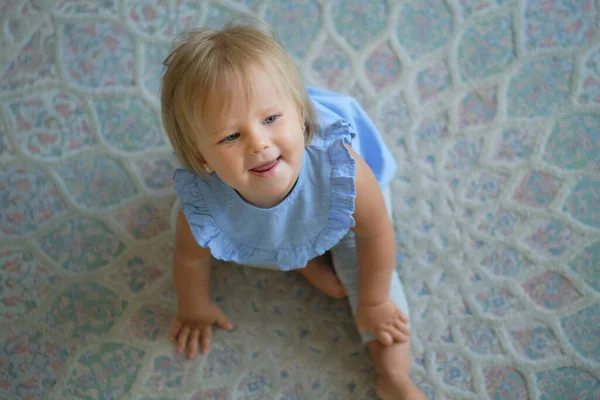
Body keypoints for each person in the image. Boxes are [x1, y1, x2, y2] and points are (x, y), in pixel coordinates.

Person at [160, 20, 426, 400]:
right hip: (262, 231)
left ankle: (393, 378)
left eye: (271, 119)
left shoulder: (342, 170)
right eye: (231, 136)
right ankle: (301, 261)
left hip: (343, 219)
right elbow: (189, 258)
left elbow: (376, 231)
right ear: (201, 159)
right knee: (234, 244)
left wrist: (373, 300)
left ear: (300, 115)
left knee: (378, 295)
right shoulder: (205, 203)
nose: (259, 143)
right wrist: (193, 307)